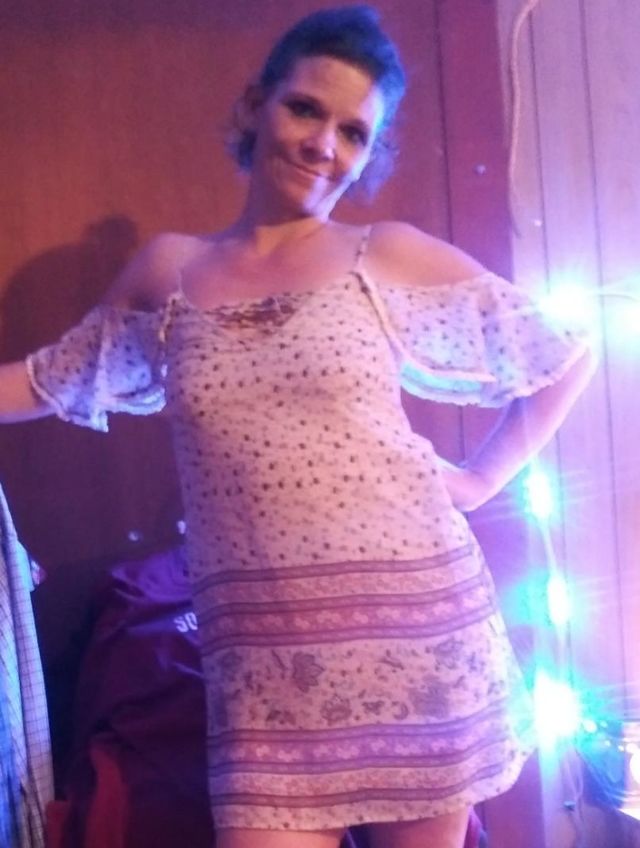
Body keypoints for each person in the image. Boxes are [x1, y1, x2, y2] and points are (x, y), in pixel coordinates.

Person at [0, 6, 594, 848]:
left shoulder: (384, 255)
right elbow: (43, 379)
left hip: (419, 643)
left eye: (353, 133)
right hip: (264, 685)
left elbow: (564, 353)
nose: (324, 145)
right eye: (306, 109)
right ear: (256, 106)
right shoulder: (171, 272)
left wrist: (480, 479)